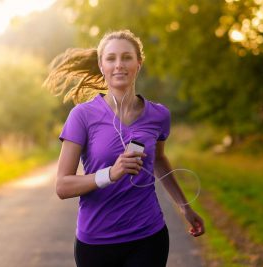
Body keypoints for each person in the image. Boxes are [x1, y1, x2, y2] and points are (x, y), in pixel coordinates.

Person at [44, 29, 205, 267]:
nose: (119, 65)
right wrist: (110, 174)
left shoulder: (159, 115)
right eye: (111, 58)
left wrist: (185, 207)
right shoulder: (82, 116)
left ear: (138, 63)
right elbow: (62, 186)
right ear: (101, 65)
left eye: (127, 57)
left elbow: (159, 160)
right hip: (96, 241)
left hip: (148, 237)